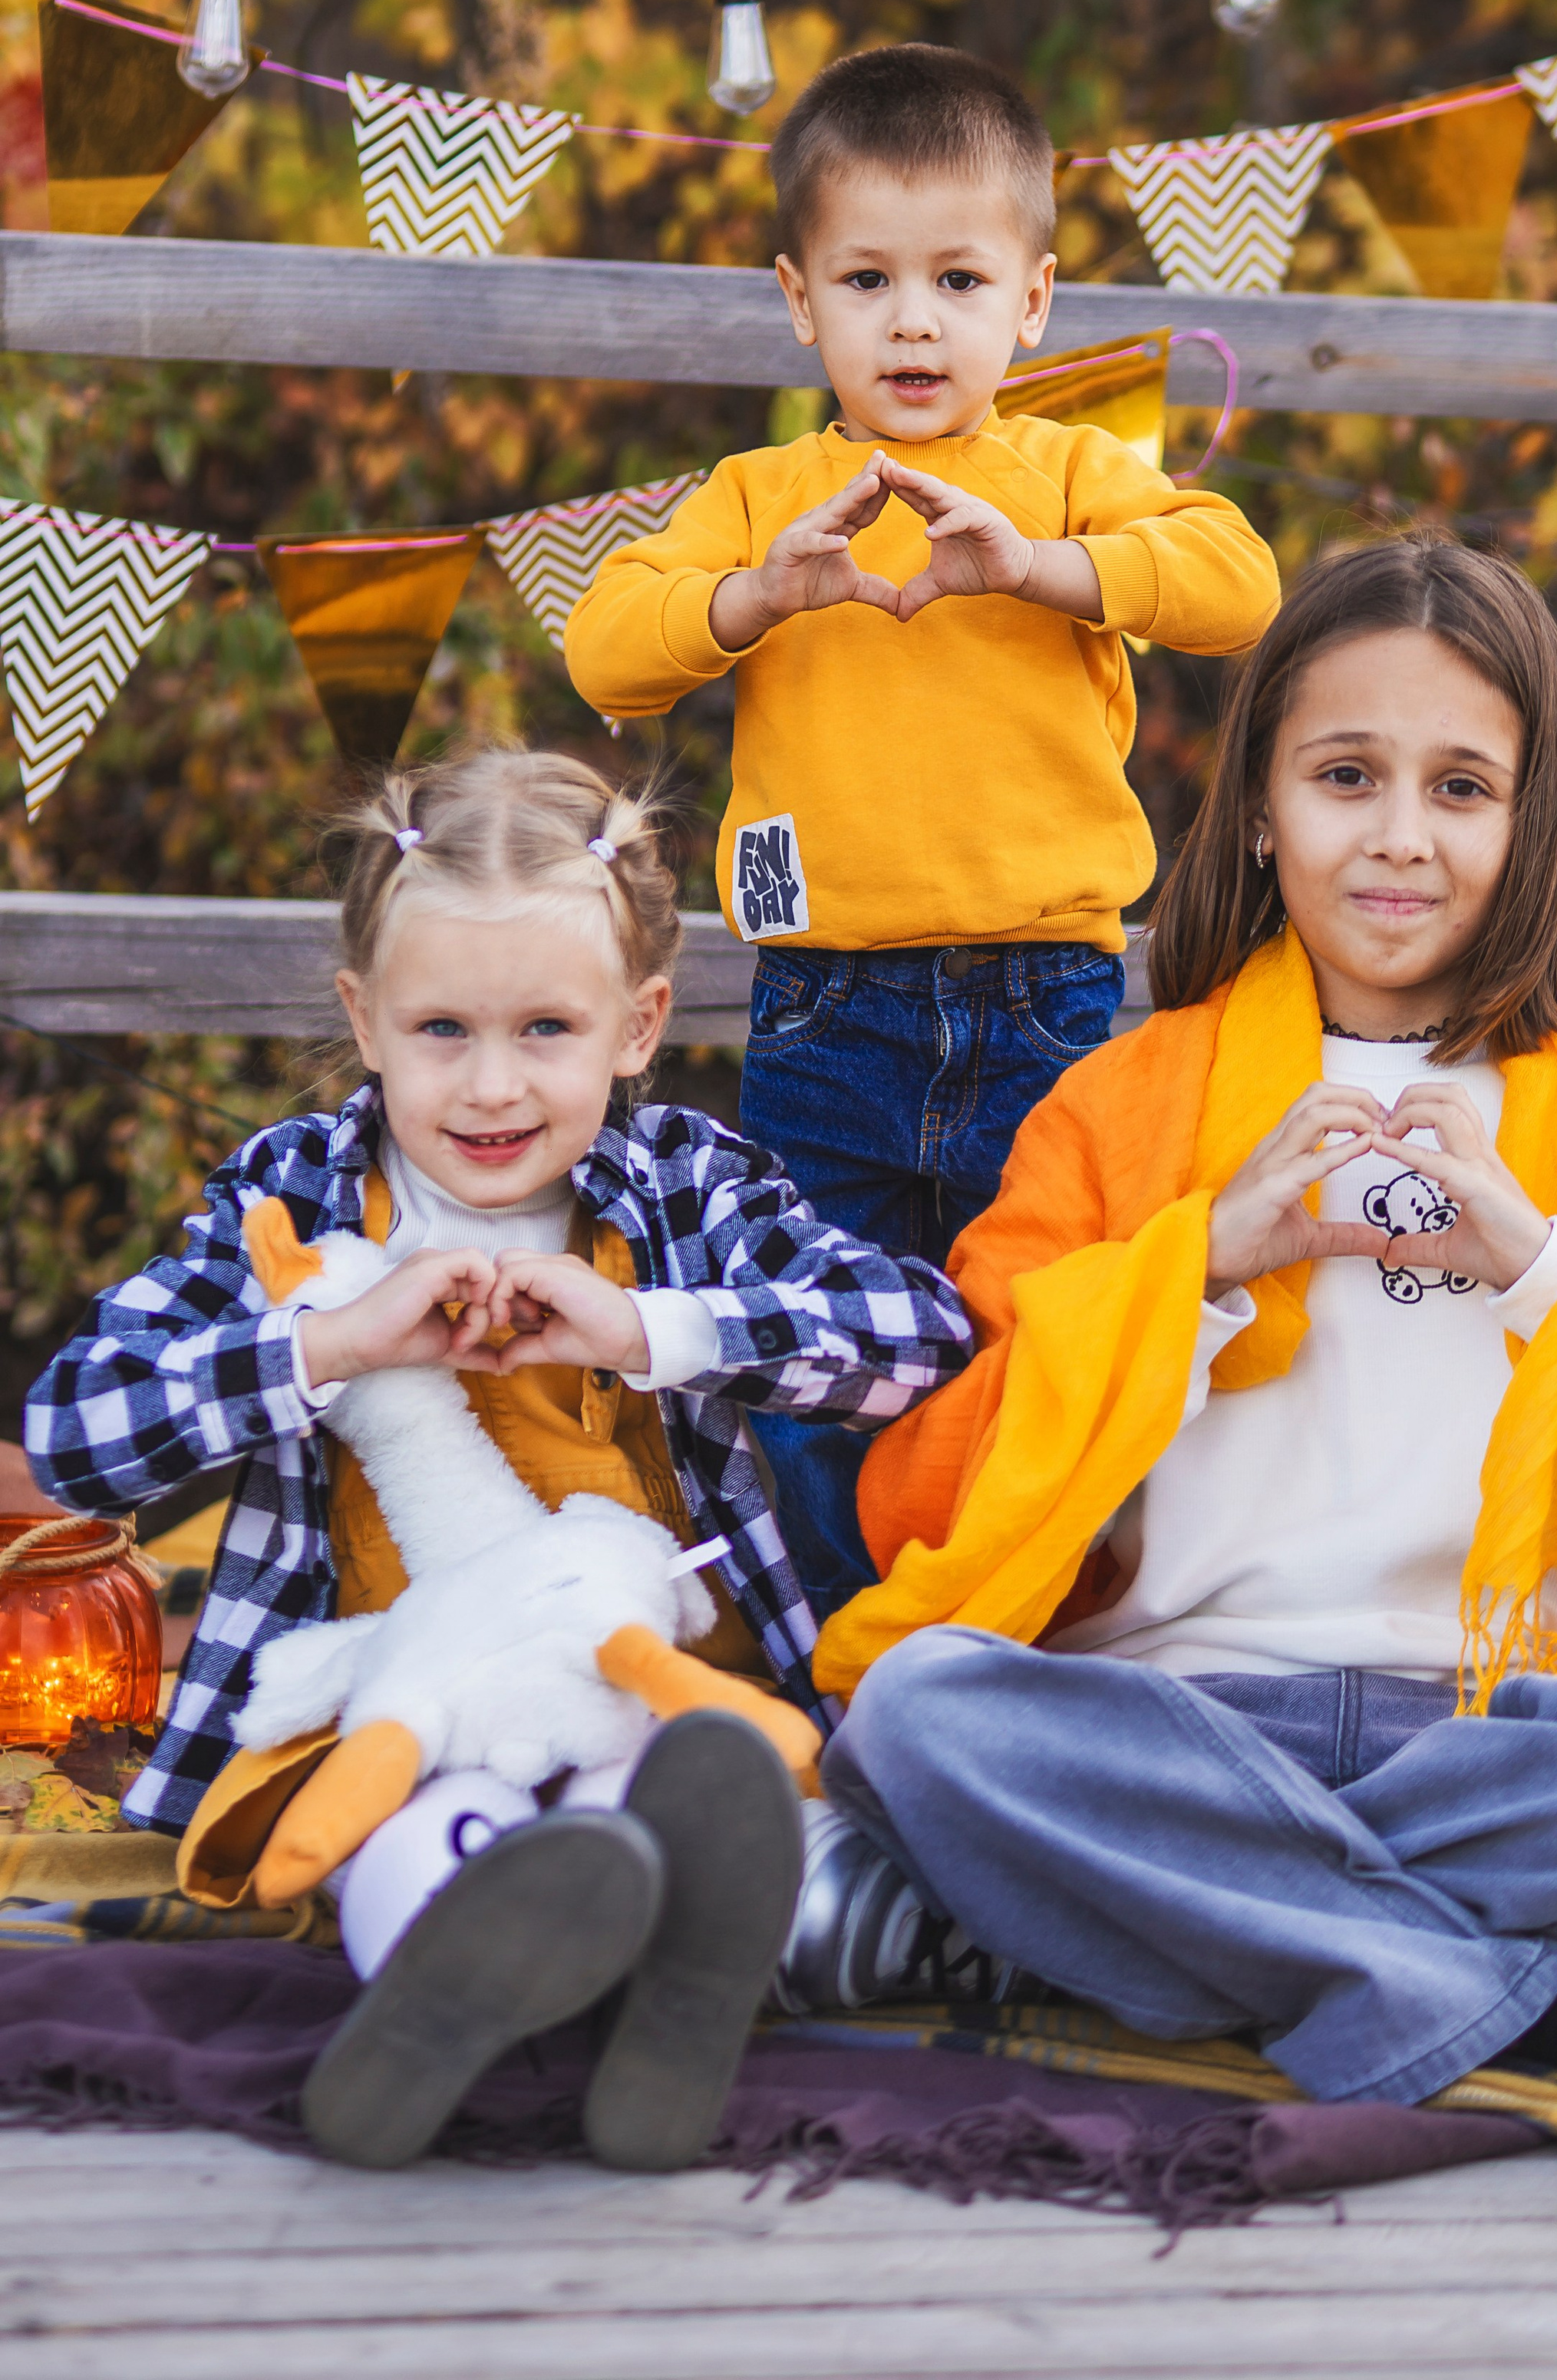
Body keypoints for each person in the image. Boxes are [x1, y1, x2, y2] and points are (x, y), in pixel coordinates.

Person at [775, 536, 1557, 2161]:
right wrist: (1200, 1264)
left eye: (1462, 788)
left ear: (1528, 824)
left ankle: (1051, 1925)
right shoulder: (1125, 1105)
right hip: (1170, 1722)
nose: (1398, 838)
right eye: (1343, 776)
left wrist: (1548, 1270)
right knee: (918, 1712)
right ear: (1257, 807)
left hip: (1488, 1741)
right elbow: (938, 1476)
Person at [25, 746, 971, 2169]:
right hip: (386, 1705)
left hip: (636, 1679)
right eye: (442, 1030)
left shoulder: (689, 1191)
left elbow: (922, 1341)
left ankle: (662, 1981)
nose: (489, 1086)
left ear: (639, 1026)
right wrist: (329, 1346)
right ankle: (471, 1983)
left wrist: (652, 1324)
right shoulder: (291, 1198)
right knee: (433, 1823)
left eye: (545, 1029)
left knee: (654, 1800)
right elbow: (76, 1435)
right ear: (365, 1019)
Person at [562, 42, 1280, 1621]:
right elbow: (604, 645)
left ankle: (1018, 1616)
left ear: (1030, 300)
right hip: (827, 1010)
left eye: (956, 279)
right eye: (866, 278)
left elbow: (1238, 585)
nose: (910, 319)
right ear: (797, 297)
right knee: (810, 1342)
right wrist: (753, 600)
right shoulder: (762, 497)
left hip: (1047, 1001)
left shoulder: (1074, 480)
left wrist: (1043, 570)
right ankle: (847, 1639)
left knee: (1045, 1322)